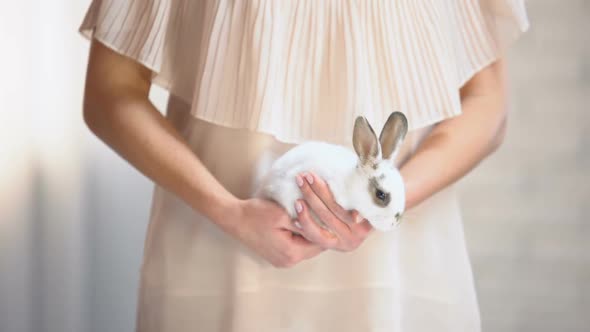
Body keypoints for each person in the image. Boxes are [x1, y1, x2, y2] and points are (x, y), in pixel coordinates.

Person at [79, 1, 529, 331]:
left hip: (399, 274)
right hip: (220, 261)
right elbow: (109, 93)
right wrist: (229, 212)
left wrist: (385, 199)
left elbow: (487, 102)